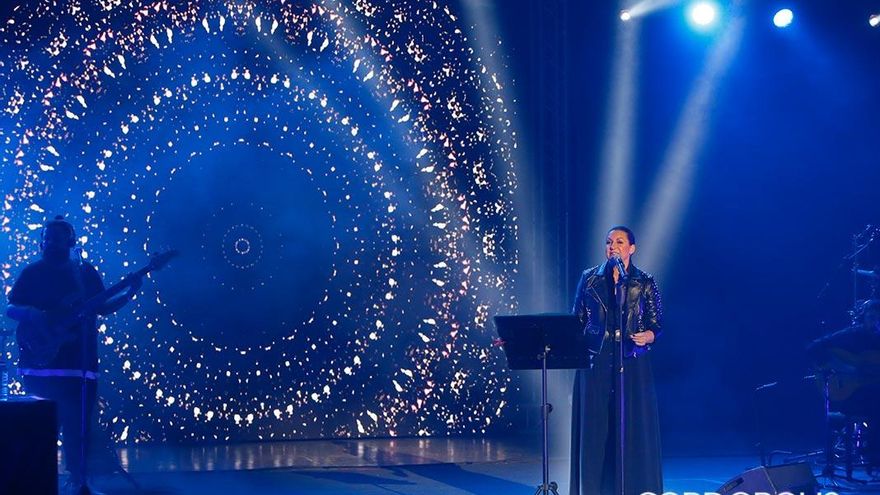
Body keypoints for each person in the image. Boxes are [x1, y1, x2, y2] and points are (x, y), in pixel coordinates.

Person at [6, 216, 142, 494]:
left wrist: (130, 292)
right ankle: (38, 485)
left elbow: (102, 307)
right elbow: (11, 308)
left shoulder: (84, 273)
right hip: (40, 367)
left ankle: (79, 482)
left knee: (78, 430)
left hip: (78, 366)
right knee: (40, 431)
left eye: (56, 238)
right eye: (47, 238)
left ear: (70, 241)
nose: (50, 243)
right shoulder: (32, 273)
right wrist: (35, 315)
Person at [569, 226, 663, 495]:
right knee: (596, 427)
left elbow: (657, 323)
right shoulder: (589, 278)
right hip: (595, 361)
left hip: (631, 359)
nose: (613, 246)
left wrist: (649, 336)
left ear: (631, 248)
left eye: (619, 242)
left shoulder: (644, 281)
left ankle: (632, 488)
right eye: (609, 242)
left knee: (630, 427)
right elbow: (576, 319)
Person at [808, 299, 880, 466]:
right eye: (872, 318)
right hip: (847, 395)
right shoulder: (852, 335)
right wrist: (847, 368)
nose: (876, 323)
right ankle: (874, 454)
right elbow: (813, 348)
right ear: (864, 318)